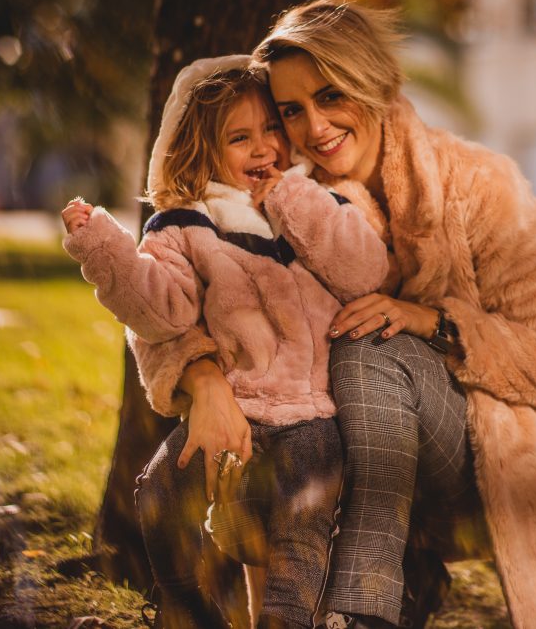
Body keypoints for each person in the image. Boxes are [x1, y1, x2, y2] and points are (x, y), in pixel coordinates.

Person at [134, 0, 536, 629]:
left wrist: (433, 320)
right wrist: (206, 381)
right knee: (283, 412)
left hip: (473, 457)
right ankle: (390, 581)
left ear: (372, 84)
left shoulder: (482, 185)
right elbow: (172, 300)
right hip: (326, 453)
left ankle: (366, 608)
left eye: (331, 96)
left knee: (366, 343)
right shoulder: (273, 189)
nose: (313, 127)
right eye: (290, 111)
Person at [61, 55, 388, 629]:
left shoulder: (322, 202)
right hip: (233, 413)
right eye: (240, 138)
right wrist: (104, 248)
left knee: (304, 515)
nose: (263, 149)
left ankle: (285, 621)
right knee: (159, 492)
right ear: (204, 150)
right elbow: (163, 310)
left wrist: (288, 198)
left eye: (270, 131)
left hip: (313, 416)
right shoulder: (187, 223)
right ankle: (186, 609)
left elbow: (364, 270)